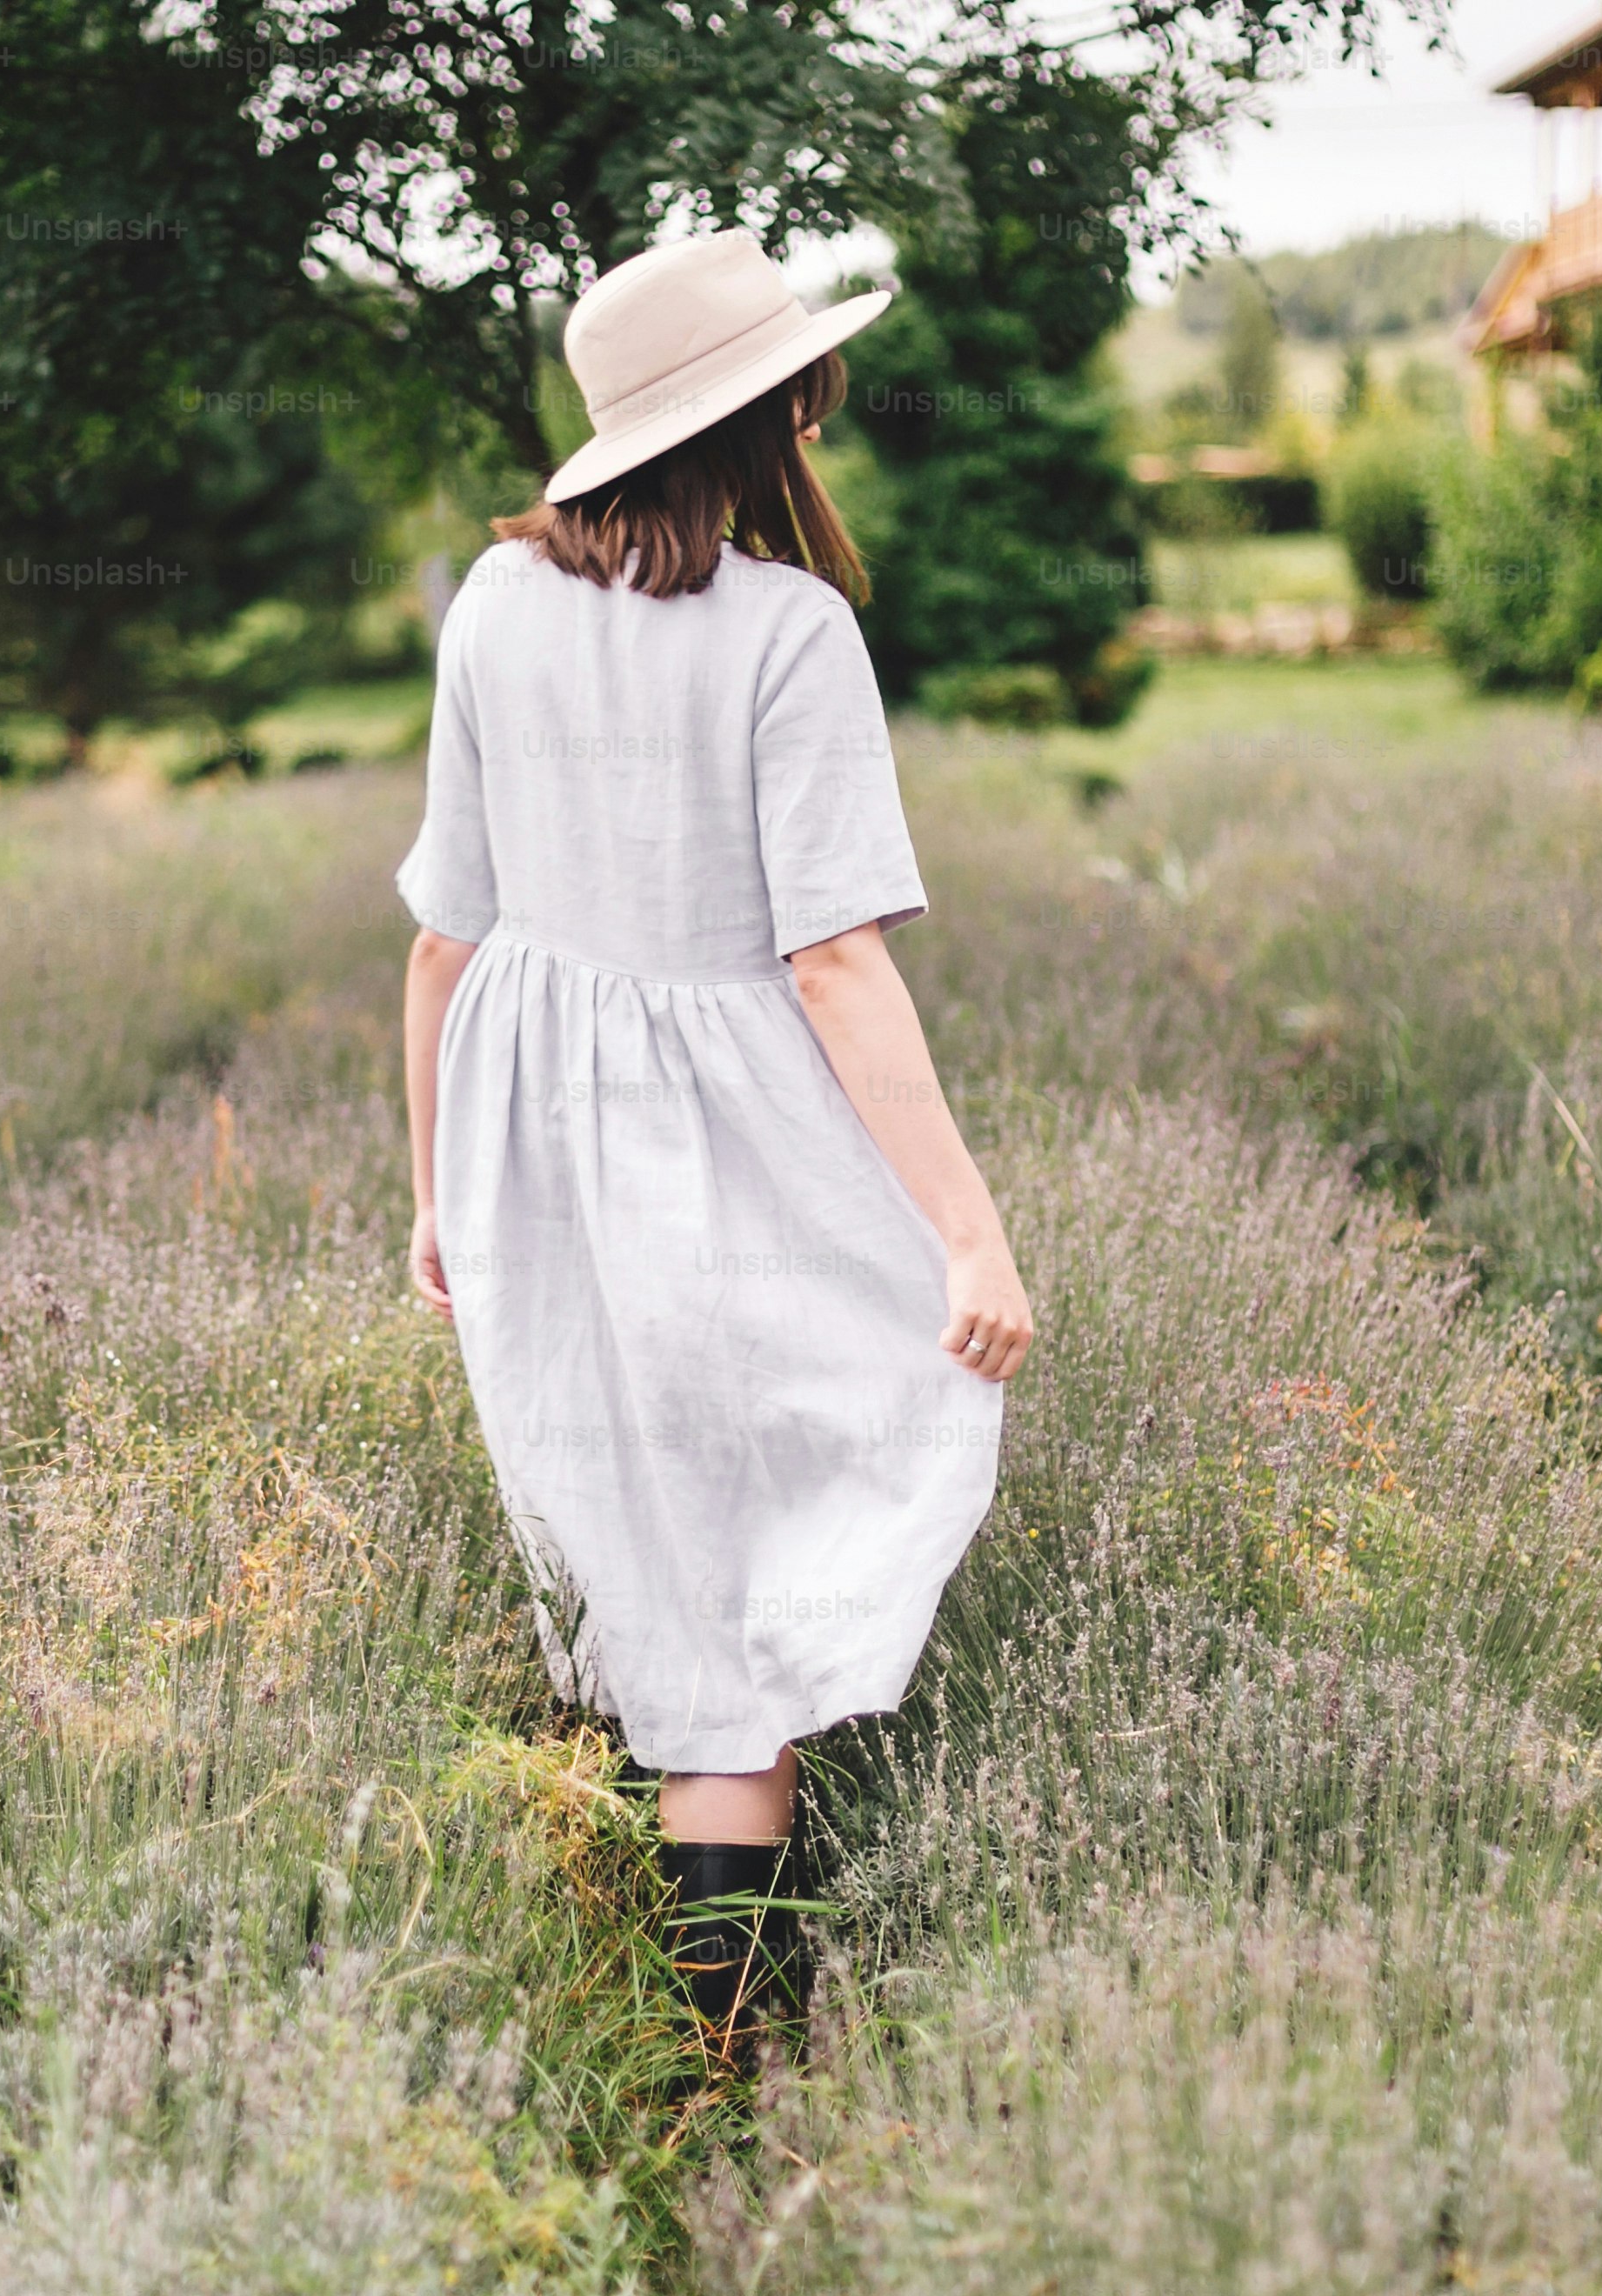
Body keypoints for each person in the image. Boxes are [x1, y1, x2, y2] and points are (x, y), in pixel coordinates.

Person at [395, 229, 1032, 2064]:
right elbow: (833, 965)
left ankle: (679, 2024)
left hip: (528, 1125)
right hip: (725, 1130)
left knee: (659, 1564)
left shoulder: (492, 606)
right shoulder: (788, 629)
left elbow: (445, 935)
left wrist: (436, 1191)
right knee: (755, 1574)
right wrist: (968, 1234)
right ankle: (718, 2032)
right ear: (774, 409)